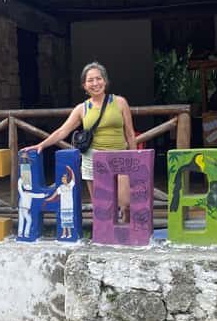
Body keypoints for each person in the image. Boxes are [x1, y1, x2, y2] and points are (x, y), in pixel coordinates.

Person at [24, 62, 137, 218]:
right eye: (90, 80)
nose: (95, 83)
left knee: (125, 204)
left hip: (120, 156)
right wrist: (42, 144)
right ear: (84, 85)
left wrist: (136, 157)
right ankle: (105, 240)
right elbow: (63, 130)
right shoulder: (82, 108)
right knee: (101, 205)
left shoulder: (120, 102)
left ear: (105, 81)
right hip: (93, 158)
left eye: (98, 78)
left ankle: (124, 238)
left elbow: (130, 133)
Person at [46, 165, 77, 238]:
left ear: (67, 180)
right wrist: (48, 199)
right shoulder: (61, 187)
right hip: (63, 206)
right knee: (63, 220)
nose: (63, 180)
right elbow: (54, 195)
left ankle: (69, 234)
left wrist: (71, 170)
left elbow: (73, 178)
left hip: (69, 206)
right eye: (62, 179)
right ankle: (64, 233)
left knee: (69, 220)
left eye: (64, 179)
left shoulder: (70, 186)